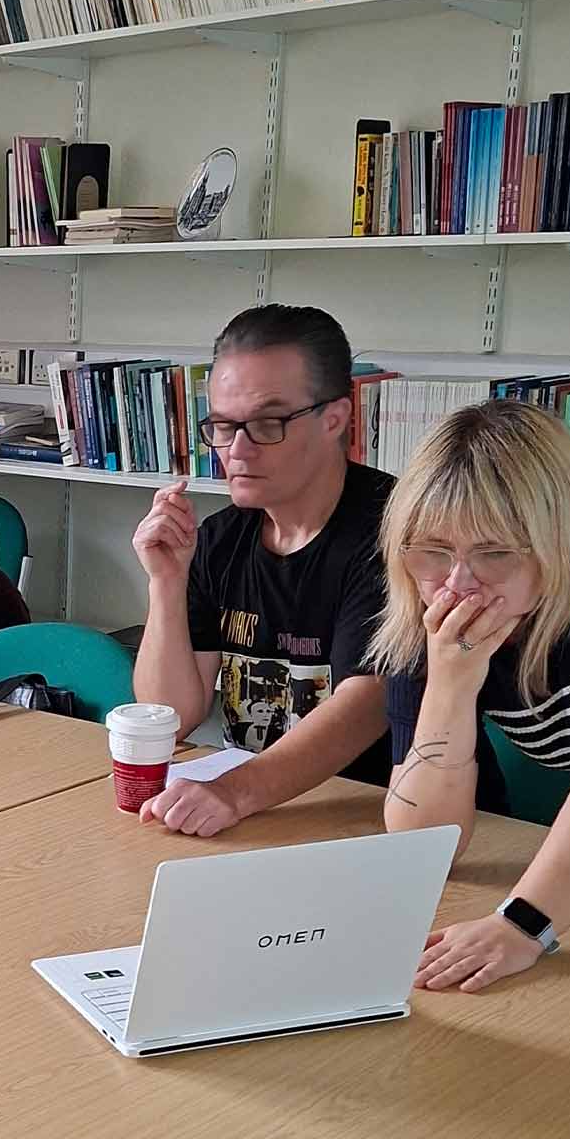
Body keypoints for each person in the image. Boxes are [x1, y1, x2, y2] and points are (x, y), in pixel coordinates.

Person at [371, 401, 570, 994]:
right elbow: (425, 842)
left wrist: (523, 925)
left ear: (559, 541)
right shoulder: (422, 600)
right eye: (433, 551)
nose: (457, 583)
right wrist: (448, 681)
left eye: (495, 552)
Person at [131, 304, 392, 837]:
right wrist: (166, 583)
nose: (238, 451)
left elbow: (369, 706)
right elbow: (172, 715)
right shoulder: (222, 538)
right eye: (223, 427)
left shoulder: (399, 533)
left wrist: (235, 792)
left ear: (335, 419)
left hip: (377, 817)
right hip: (259, 818)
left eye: (268, 424)